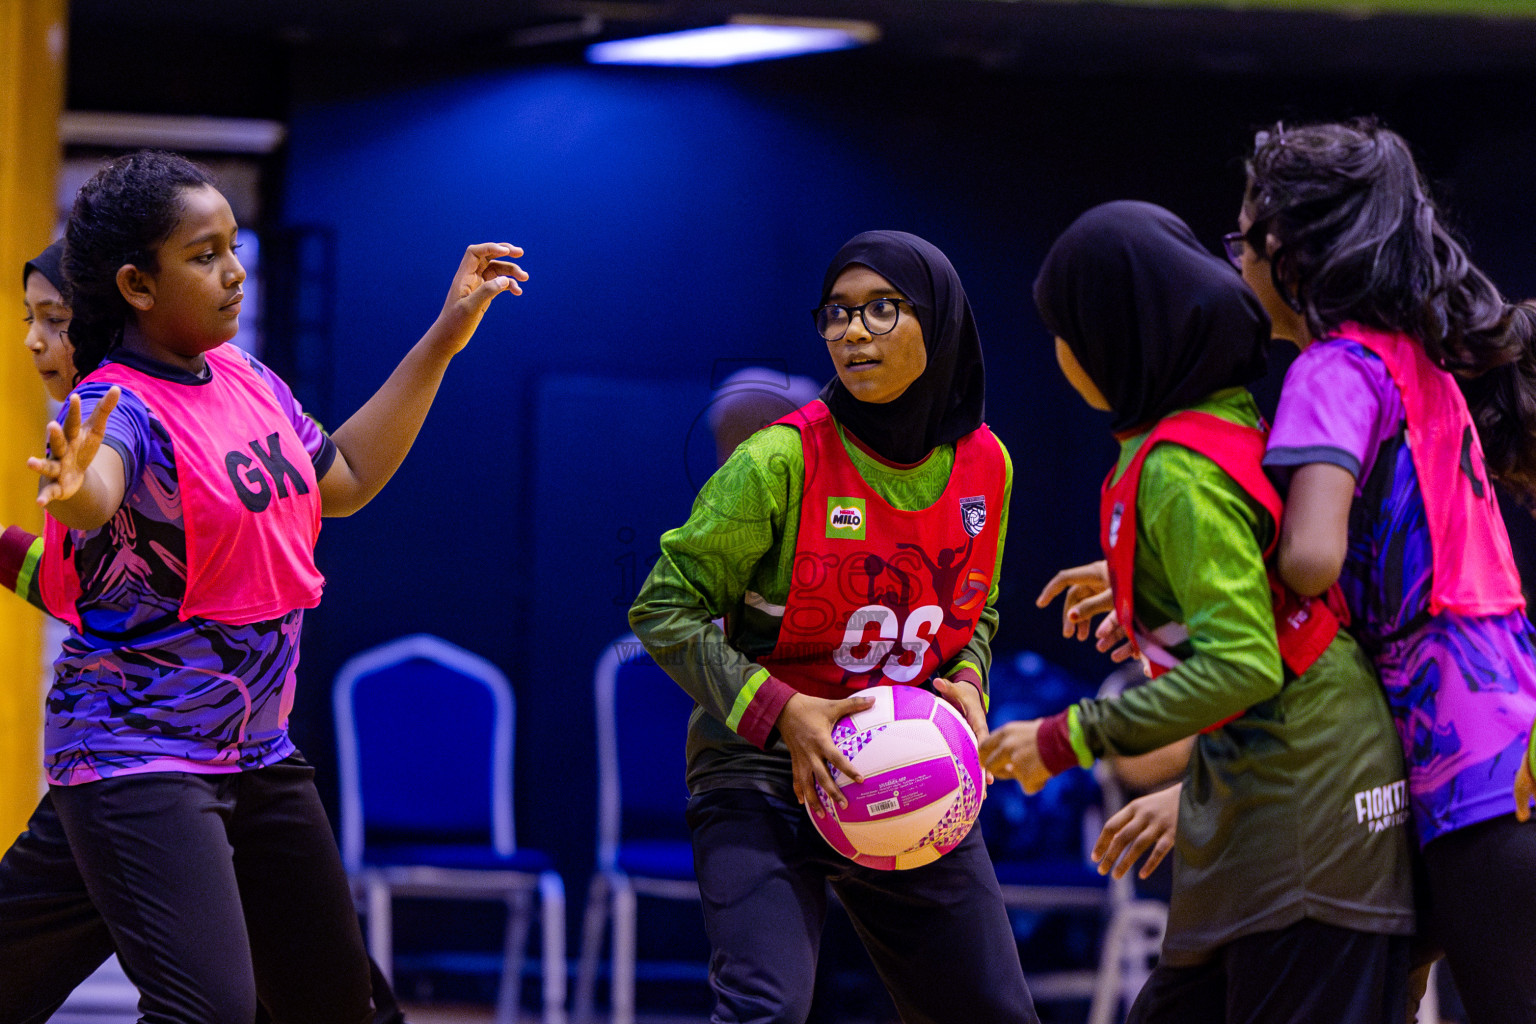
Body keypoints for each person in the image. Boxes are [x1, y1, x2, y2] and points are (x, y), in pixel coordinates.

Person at [0, 150, 524, 1024]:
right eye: (204, 255)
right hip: (142, 756)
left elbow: (345, 475)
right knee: (207, 1011)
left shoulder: (247, 378)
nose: (235, 271)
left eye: (232, 246)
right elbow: (98, 494)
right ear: (137, 284)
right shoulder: (113, 408)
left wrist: (444, 335)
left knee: (337, 1007)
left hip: (255, 754)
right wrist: (79, 486)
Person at [981, 200, 1414, 1024]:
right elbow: (1254, 570)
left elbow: (1243, 663)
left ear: (1114, 338)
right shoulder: (1217, 422)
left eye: (1065, 329)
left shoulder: (1178, 469)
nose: (1061, 353)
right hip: (1271, 809)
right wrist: (1142, 584)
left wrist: (1062, 739)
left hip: (1310, 818)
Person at [629, 230, 1039, 1024]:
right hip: (760, 778)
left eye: (882, 310)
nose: (853, 332)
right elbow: (661, 605)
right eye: (838, 314)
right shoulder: (779, 460)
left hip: (905, 770)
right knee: (768, 1012)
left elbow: (977, 606)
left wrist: (968, 676)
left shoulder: (989, 465)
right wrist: (782, 709)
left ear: (942, 322)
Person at [1234, 119, 1536, 1023]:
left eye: (1238, 240)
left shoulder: (1332, 370)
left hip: (1467, 778)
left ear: (1282, 250)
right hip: (1506, 749)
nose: (1235, 264)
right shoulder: (1426, 361)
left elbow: (1312, 554)